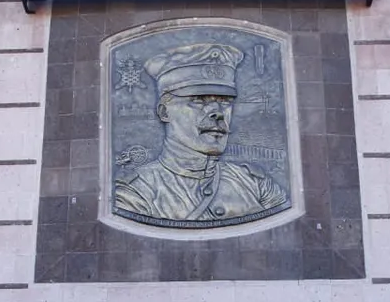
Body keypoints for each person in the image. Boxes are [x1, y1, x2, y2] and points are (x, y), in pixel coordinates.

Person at [113, 42, 289, 227]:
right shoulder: (134, 192)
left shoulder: (255, 183)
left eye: (225, 101)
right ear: (165, 112)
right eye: (198, 100)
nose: (218, 112)